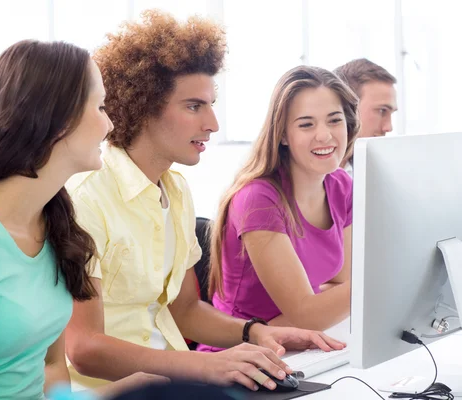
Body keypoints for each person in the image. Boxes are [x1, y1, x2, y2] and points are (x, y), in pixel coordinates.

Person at [65, 10, 344, 393]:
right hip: (114, 391)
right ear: (143, 105)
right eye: (194, 106)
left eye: (211, 105)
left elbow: (184, 311)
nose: (212, 123)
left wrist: (256, 333)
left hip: (179, 382)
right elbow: (83, 348)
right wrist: (201, 365)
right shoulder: (87, 199)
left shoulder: (175, 191)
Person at [0, 39, 166, 399]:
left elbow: (51, 369)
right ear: (58, 119)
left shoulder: (55, 223)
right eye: (99, 107)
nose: (110, 123)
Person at [200, 66, 359, 353]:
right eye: (306, 124)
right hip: (240, 357)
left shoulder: (341, 185)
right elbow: (306, 313)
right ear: (283, 135)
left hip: (301, 345)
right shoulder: (258, 199)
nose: (324, 135)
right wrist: (382, 278)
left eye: (334, 120)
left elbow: (341, 282)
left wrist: (314, 310)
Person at [333, 58, 398, 175]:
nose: (389, 127)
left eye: (391, 113)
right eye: (382, 111)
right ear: (347, 109)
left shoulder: (376, 170)